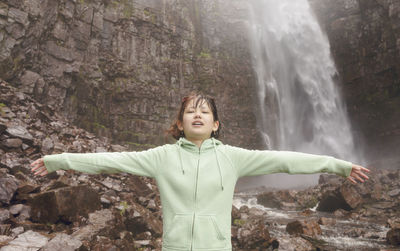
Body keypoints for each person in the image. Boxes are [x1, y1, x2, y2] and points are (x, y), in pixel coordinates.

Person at [31, 92, 369, 251]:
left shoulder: (234, 158)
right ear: (179, 123)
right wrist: (57, 160)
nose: (197, 115)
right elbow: (108, 161)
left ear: (215, 124)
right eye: (191, 112)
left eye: (204, 112)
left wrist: (337, 166)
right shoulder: (160, 157)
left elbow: (284, 160)